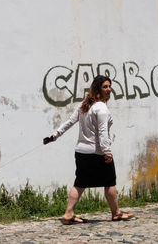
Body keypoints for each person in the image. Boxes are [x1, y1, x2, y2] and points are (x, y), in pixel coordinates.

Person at [44, 75, 134, 224]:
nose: (109, 89)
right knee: (110, 182)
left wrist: (54, 136)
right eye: (105, 86)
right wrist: (107, 151)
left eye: (109, 86)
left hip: (81, 152)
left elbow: (69, 122)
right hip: (97, 153)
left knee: (80, 183)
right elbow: (102, 132)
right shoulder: (101, 108)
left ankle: (68, 214)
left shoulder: (85, 105)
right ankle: (116, 213)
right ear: (97, 89)